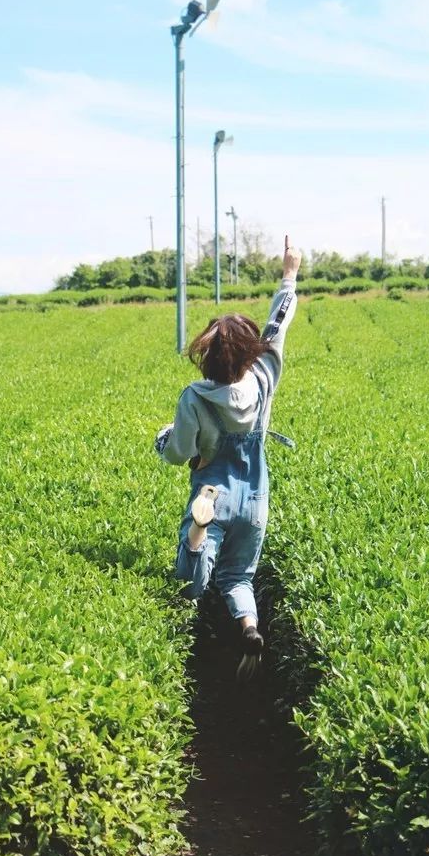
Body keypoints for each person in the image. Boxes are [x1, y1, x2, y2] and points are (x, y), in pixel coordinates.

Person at [155, 236, 302, 677]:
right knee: (238, 577)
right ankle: (250, 627)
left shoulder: (194, 397)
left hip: (213, 492)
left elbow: (179, 451)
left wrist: (163, 437)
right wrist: (289, 274)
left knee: (190, 574)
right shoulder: (263, 376)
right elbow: (277, 326)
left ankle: (198, 538)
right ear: (249, 353)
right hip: (255, 495)